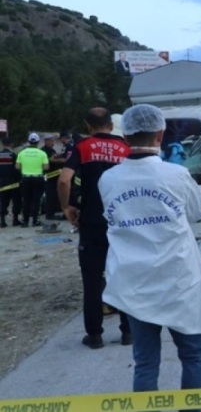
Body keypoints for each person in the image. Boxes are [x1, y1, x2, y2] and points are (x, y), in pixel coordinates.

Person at [100, 104, 201, 401]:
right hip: (179, 281)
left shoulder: (108, 179)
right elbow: (197, 213)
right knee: (192, 357)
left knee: (145, 362)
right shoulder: (175, 174)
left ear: (124, 135)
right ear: (160, 134)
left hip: (135, 284)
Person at [58, 108, 131, 349]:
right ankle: (128, 333)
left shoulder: (82, 146)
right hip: (122, 222)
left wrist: (67, 206)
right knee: (122, 276)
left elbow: (64, 179)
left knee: (91, 281)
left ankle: (95, 335)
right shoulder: (125, 147)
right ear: (111, 126)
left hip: (91, 223)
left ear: (88, 126)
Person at [15, 133, 48, 228]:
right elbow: (46, 167)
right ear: (38, 142)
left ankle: (25, 221)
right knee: (37, 200)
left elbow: (17, 166)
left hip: (25, 178)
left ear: (29, 141)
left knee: (26, 200)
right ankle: (35, 221)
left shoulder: (22, 153)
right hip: (38, 178)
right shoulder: (42, 153)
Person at [0, 137, 23, 227]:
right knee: (16, 201)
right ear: (11, 144)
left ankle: (2, 221)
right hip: (14, 183)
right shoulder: (13, 155)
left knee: (3, 201)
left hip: (2, 182)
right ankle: (15, 220)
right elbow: (17, 169)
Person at [41, 134, 64, 220]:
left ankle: (52, 213)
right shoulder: (44, 151)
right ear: (46, 141)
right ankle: (49, 214)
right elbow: (48, 162)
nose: (52, 142)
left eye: (52, 140)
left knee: (54, 196)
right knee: (50, 196)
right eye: (50, 141)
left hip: (54, 177)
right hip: (48, 177)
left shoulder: (51, 150)